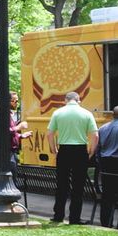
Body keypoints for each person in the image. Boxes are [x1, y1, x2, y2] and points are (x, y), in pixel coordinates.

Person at [47, 90, 98, 225]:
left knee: (61, 184)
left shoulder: (57, 113)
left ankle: (58, 215)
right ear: (78, 100)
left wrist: (54, 149)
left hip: (64, 150)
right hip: (80, 150)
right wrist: (91, 150)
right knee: (78, 186)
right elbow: (95, 135)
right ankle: (74, 218)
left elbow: (50, 134)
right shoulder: (87, 114)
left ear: (65, 100)